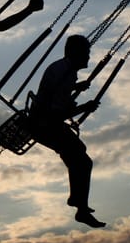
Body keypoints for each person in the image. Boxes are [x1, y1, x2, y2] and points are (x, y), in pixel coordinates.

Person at [28, 34, 105, 228]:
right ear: (76, 53)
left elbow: (56, 93)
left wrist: (75, 87)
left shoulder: (65, 71)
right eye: (86, 53)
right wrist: (83, 108)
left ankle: (79, 203)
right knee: (83, 160)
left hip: (44, 123)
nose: (89, 57)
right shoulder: (64, 72)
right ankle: (81, 207)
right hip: (44, 124)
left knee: (76, 157)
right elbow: (55, 113)